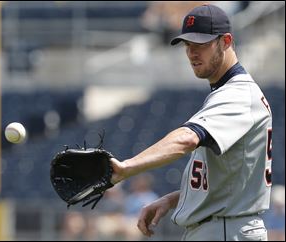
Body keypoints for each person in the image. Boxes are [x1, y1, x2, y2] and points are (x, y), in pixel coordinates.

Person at [110, 4, 273, 241]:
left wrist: (127, 167)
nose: (192, 53)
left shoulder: (238, 94)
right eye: (188, 45)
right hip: (223, 227)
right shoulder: (229, 93)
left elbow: (186, 139)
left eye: (201, 44)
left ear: (226, 41)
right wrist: (175, 199)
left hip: (226, 230)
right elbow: (227, 182)